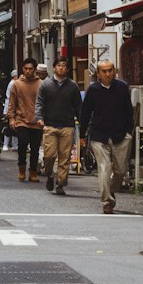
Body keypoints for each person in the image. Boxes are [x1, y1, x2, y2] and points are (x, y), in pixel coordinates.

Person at [80, 58, 134, 214]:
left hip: (120, 134)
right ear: (98, 73)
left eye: (110, 70)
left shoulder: (122, 87)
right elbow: (85, 113)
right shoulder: (93, 90)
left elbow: (128, 111)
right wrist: (83, 134)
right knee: (104, 168)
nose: (108, 73)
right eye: (104, 71)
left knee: (120, 171)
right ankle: (107, 202)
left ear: (115, 71)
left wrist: (128, 131)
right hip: (99, 135)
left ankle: (110, 191)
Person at [35, 57, 82, 195]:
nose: (61, 68)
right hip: (50, 125)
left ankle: (60, 183)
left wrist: (82, 123)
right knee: (49, 156)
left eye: (64, 65)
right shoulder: (45, 85)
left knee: (65, 157)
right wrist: (39, 118)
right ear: (54, 68)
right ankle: (49, 174)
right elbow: (40, 103)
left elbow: (78, 107)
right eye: (59, 65)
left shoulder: (73, 86)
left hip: (67, 126)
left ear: (67, 69)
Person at [7, 58, 43, 181]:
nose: (28, 71)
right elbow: (12, 103)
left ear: (35, 70)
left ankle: (33, 171)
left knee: (35, 148)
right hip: (21, 120)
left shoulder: (41, 84)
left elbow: (45, 103)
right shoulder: (17, 84)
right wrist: (11, 118)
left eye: (30, 69)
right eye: (25, 69)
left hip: (37, 121)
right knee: (22, 145)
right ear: (22, 69)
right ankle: (21, 168)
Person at [2, 68, 19, 151]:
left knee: (14, 127)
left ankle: (14, 144)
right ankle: (6, 144)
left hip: (12, 107)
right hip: (10, 107)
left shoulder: (14, 83)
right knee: (8, 127)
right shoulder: (13, 83)